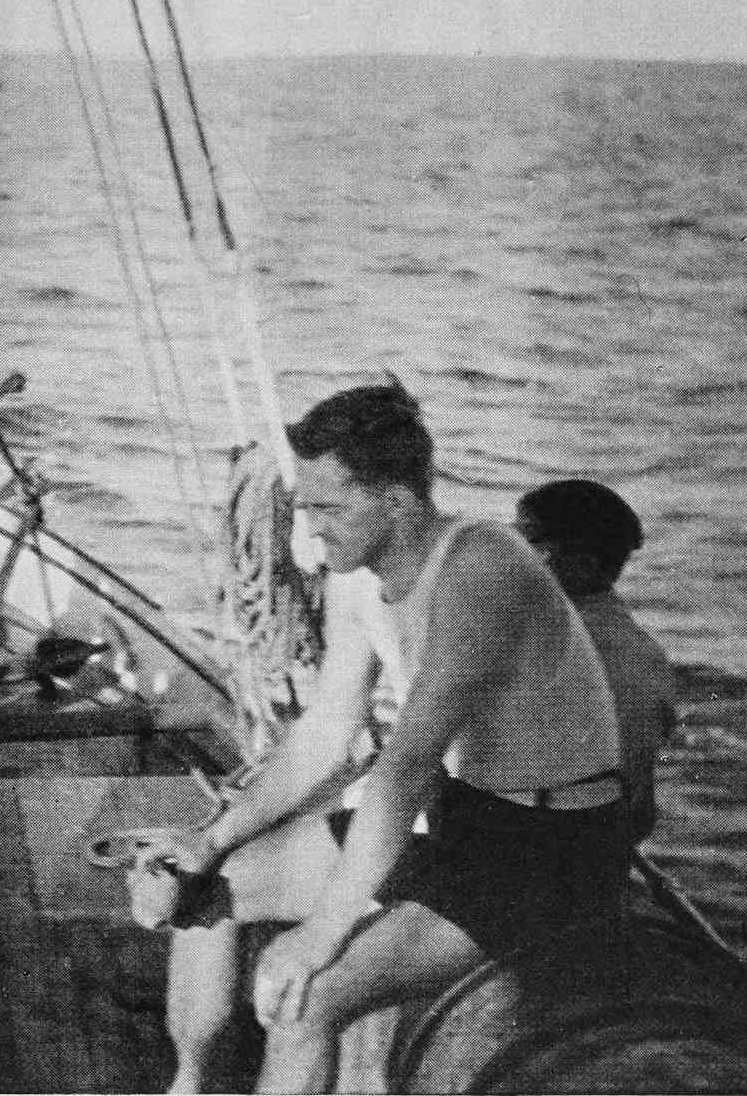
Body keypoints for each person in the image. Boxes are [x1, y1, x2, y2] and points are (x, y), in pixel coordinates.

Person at [156, 384, 628, 1094]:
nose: (310, 530)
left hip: (548, 852)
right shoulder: (358, 576)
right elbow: (325, 732)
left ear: (399, 502)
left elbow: (405, 768)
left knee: (307, 998)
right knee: (209, 890)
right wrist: (208, 841)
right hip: (460, 819)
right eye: (307, 508)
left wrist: (323, 933)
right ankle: (189, 1084)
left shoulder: (481, 570)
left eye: (328, 509)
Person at [516, 479, 679, 847]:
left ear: (583, 563)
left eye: (528, 540)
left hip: (539, 846)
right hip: (603, 846)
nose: (514, 553)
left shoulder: (552, 645)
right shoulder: (644, 651)